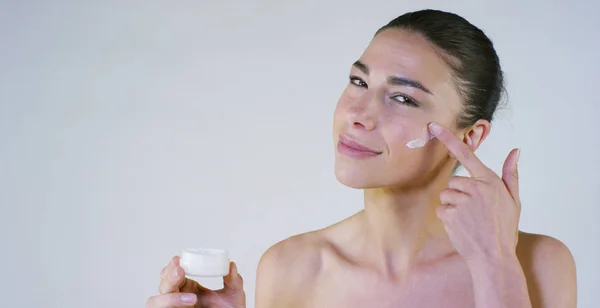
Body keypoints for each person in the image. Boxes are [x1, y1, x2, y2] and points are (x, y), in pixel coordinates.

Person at [146, 9, 577, 308]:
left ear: (471, 135)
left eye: (403, 98)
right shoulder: (292, 267)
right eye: (358, 81)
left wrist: (493, 264)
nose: (358, 114)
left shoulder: (537, 264)